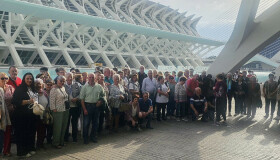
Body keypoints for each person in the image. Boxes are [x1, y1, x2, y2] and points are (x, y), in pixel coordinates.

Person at [12, 73, 37, 158]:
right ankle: (22, 152)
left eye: (31, 78)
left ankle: (29, 148)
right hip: (21, 116)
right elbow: (15, 101)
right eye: (27, 78)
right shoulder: (19, 89)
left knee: (30, 132)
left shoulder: (32, 88)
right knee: (21, 134)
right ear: (24, 79)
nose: (29, 80)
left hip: (31, 115)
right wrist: (28, 101)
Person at [80, 73, 105, 144]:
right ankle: (85, 138)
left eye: (92, 77)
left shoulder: (99, 86)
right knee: (86, 123)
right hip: (87, 106)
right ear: (87, 78)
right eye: (90, 77)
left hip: (96, 106)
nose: (91, 79)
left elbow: (103, 95)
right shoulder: (84, 87)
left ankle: (93, 136)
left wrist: (100, 101)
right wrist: (84, 109)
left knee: (95, 123)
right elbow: (82, 99)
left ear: (95, 78)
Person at [49, 76, 69, 149]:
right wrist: (53, 109)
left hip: (65, 109)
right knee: (57, 128)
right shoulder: (53, 89)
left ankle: (61, 141)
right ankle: (56, 142)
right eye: (61, 80)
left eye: (64, 81)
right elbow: (51, 101)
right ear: (57, 80)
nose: (62, 82)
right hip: (57, 110)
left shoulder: (63, 88)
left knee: (64, 126)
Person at [64, 73, 81, 142]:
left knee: (75, 122)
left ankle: (74, 137)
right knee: (66, 123)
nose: (70, 78)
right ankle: (66, 137)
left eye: (71, 77)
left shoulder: (77, 84)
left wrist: (77, 98)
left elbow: (81, 93)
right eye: (68, 77)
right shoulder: (63, 85)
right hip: (67, 107)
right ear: (65, 78)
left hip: (75, 106)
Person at [0, 73, 12, 157]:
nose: (4, 80)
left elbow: (14, 98)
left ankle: (6, 150)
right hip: (1, 114)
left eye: (6, 78)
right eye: (2, 78)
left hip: (9, 113)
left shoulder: (10, 88)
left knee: (8, 132)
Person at [34, 78, 48, 149]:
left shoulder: (44, 92)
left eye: (40, 83)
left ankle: (40, 144)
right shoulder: (33, 93)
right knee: (35, 130)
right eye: (37, 83)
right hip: (36, 115)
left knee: (43, 130)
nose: (39, 85)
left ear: (42, 85)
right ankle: (34, 145)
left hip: (44, 114)